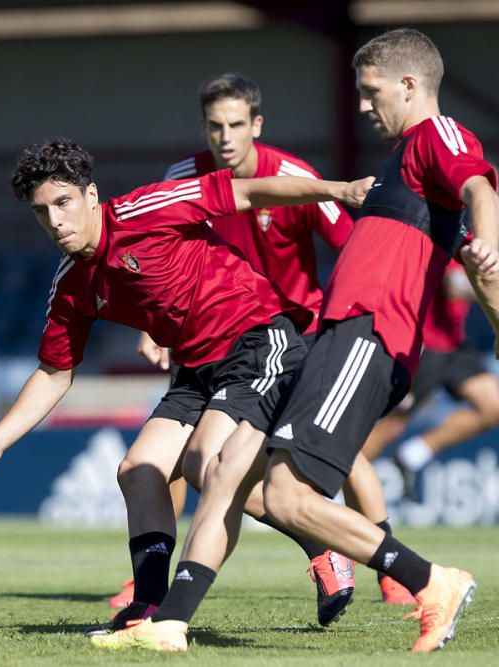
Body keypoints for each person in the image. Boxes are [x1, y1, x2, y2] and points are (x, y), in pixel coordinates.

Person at [93, 28, 499, 654]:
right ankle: (168, 622)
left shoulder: (436, 136)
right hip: (327, 334)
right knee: (222, 471)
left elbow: (481, 191)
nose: (362, 104)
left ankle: (431, 580)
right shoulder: (403, 165)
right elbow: (478, 265)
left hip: (364, 331)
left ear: (409, 86)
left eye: (370, 91)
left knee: (289, 496)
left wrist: (491, 238)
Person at [0, 139, 372, 634]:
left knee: (206, 463)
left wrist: (338, 190)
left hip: (255, 337)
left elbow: (250, 192)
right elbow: (55, 372)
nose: (55, 221)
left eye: (63, 203)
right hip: (195, 367)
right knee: (137, 471)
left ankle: (325, 545)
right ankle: (148, 603)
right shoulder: (72, 284)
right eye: (42, 212)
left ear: (90, 195)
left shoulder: (147, 208)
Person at [112, 72, 364, 623]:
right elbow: (162, 252)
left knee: (224, 464)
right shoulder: (183, 177)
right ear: (203, 127)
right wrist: (152, 326)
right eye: (214, 126)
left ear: (256, 125)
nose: (223, 137)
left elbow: (350, 244)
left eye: (234, 125)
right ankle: (149, 596)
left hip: (282, 334)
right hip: (204, 343)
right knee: (158, 468)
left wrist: (345, 324)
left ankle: (371, 559)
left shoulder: (292, 176)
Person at [356, 264, 499, 503]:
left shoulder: (469, 237)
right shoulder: (445, 232)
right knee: (391, 426)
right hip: (424, 345)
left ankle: (412, 455)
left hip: (454, 343)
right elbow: (455, 287)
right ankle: (336, 488)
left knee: (493, 408)